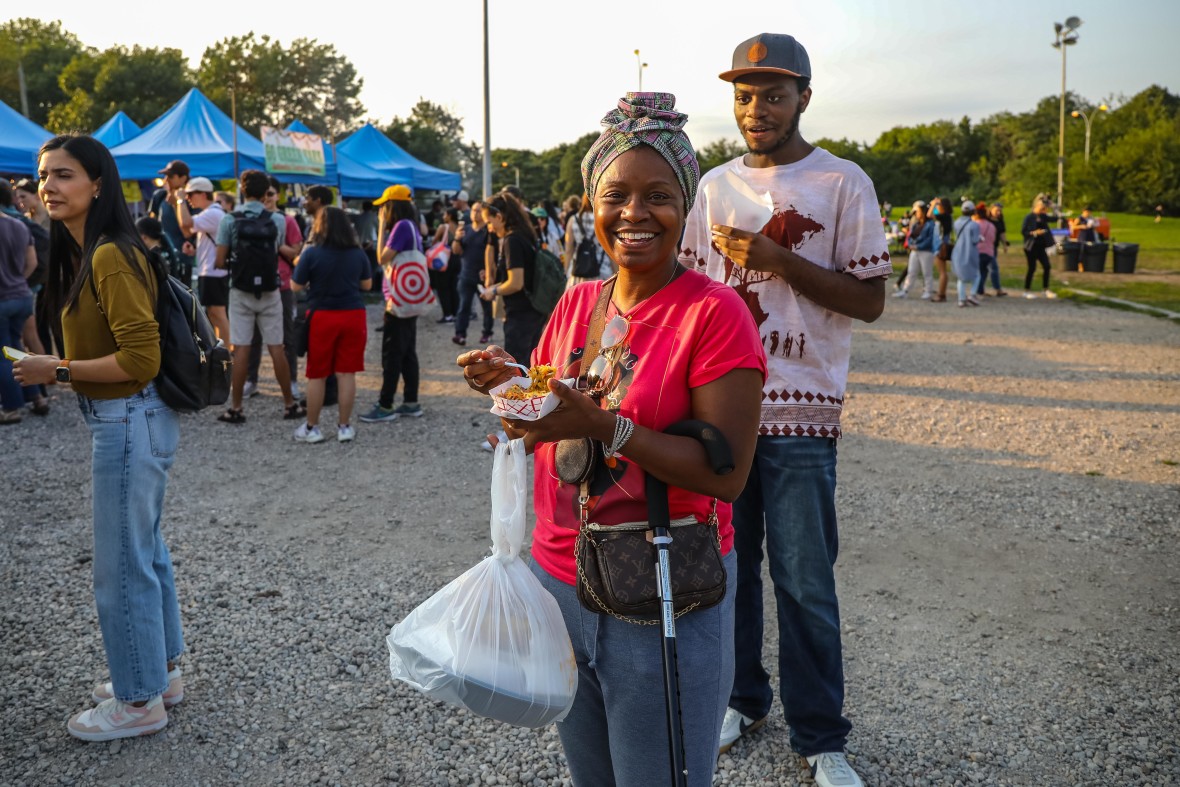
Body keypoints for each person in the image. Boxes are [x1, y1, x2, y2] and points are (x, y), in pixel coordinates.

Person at [458, 91, 765, 787]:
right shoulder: (575, 302)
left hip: (660, 589)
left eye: (657, 194)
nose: (634, 212)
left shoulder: (715, 315)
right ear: (591, 204)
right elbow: (539, 422)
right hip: (559, 581)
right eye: (615, 194)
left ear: (683, 204)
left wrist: (606, 426)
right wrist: (510, 386)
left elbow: (726, 475)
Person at [679, 33, 890, 787]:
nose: (755, 107)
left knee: (805, 578)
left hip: (803, 414)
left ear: (804, 95)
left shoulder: (841, 183)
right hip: (724, 414)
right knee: (728, 572)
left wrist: (780, 263)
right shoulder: (713, 187)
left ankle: (822, 734)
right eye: (743, 94)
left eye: (772, 93)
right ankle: (741, 699)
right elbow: (698, 297)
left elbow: (871, 299)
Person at [12, 135, 184, 741]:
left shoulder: (110, 253)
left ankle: (139, 702)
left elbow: (139, 359)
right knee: (145, 551)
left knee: (121, 564)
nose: (48, 186)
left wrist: (52, 369)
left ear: (98, 184)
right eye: (42, 175)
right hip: (135, 418)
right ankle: (157, 677)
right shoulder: (94, 250)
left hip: (128, 416)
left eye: (63, 175)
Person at [214, 169, 304, 423]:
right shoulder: (276, 220)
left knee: (241, 348)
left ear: (242, 191)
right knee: (277, 347)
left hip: (241, 291)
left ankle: (237, 408)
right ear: (267, 193)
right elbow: (276, 251)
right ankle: (289, 405)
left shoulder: (229, 220)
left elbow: (220, 261)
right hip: (270, 290)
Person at [290, 206, 371, 443]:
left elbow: (295, 286)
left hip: (322, 315)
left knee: (317, 374)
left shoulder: (312, 253)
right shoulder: (357, 253)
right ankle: (344, 427)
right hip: (353, 314)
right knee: (347, 374)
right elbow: (367, 285)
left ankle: (312, 427)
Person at [359, 184, 425, 423]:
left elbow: (381, 258)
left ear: (392, 206)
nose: (382, 211)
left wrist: (380, 229)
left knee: (392, 353)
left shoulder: (399, 227)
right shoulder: (412, 226)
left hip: (397, 301)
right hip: (408, 298)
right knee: (407, 352)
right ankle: (410, 401)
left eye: (384, 206)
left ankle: (385, 404)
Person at [244, 177, 304, 401]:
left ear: (277, 195)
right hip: (253, 284)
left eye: (270, 194)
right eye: (264, 195)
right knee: (251, 337)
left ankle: (292, 381)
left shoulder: (286, 221)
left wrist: (275, 243)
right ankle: (251, 380)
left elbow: (296, 252)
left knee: (286, 336)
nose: (266, 199)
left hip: (282, 285)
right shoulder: (246, 219)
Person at [479, 194, 546, 369]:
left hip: (520, 314)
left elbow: (516, 282)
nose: (490, 229)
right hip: (534, 311)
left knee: (517, 367)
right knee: (531, 364)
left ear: (499, 217)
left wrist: (493, 291)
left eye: (489, 222)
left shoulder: (512, 241)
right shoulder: (525, 235)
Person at [174, 176, 230, 342]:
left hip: (214, 272)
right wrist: (196, 250)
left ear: (203, 194)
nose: (188, 199)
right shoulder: (212, 213)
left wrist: (180, 201)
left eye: (191, 195)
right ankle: (224, 350)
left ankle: (227, 353)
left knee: (218, 314)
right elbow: (187, 231)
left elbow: (185, 223)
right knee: (214, 314)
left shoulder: (213, 213)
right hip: (212, 271)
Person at [0, 191, 38, 424]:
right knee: (16, 348)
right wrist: (18, 281)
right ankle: (36, 397)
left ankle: (12, 408)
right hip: (22, 295)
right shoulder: (19, 225)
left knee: (3, 354)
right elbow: (32, 262)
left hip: (2, 300)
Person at [451, 200, 494, 346]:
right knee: (464, 306)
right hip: (466, 274)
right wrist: (457, 238)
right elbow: (456, 251)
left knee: (487, 308)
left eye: (478, 211)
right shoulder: (466, 230)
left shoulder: (489, 231)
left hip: (484, 276)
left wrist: (489, 271)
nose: (474, 213)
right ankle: (460, 334)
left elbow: (494, 254)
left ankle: (487, 332)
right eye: (473, 210)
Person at [148, 160, 194, 285]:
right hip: (161, 257)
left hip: (182, 258)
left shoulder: (191, 199)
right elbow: (151, 222)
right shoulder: (160, 196)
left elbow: (188, 230)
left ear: (183, 178)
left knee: (182, 298)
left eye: (171, 176)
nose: (166, 179)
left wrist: (177, 204)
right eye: (165, 175)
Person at [563, 192, 611, 287]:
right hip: (602, 270)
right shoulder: (603, 219)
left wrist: (566, 270)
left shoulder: (573, 220)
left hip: (578, 270)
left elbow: (568, 250)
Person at [892, 200, 934, 299]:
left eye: (917, 212)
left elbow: (930, 239)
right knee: (911, 271)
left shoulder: (930, 224)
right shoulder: (916, 224)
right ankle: (905, 290)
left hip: (926, 251)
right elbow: (910, 236)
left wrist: (918, 246)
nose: (916, 214)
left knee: (927, 272)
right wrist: (911, 245)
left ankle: (928, 291)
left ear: (923, 211)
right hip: (915, 251)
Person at [429, 207, 461, 323]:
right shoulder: (459, 227)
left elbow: (434, 241)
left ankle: (447, 315)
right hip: (457, 259)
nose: (443, 216)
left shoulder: (443, 227)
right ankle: (456, 313)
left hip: (444, 260)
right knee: (454, 287)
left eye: (445, 214)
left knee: (443, 288)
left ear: (449, 216)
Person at [1020, 198, 1056, 299]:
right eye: (1041, 207)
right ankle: (1026, 290)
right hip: (1031, 247)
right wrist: (1035, 233)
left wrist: (1053, 207)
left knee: (1047, 266)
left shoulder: (1043, 217)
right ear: (1036, 206)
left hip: (1041, 246)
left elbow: (1056, 218)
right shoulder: (1029, 217)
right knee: (1032, 268)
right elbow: (1023, 232)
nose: (1043, 209)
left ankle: (1046, 289)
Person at [951, 201, 982, 307]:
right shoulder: (974, 225)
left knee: (961, 277)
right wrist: (980, 239)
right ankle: (972, 294)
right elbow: (974, 240)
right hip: (970, 251)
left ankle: (961, 299)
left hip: (958, 251)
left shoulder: (956, 222)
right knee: (976, 274)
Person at [974, 202, 1004, 296]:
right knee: (992, 268)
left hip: (991, 248)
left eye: (1000, 210)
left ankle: (980, 290)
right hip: (987, 249)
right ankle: (996, 288)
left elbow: (1002, 232)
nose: (998, 212)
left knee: (984, 270)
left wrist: (1005, 244)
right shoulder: (987, 222)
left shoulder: (1000, 221)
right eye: (997, 210)